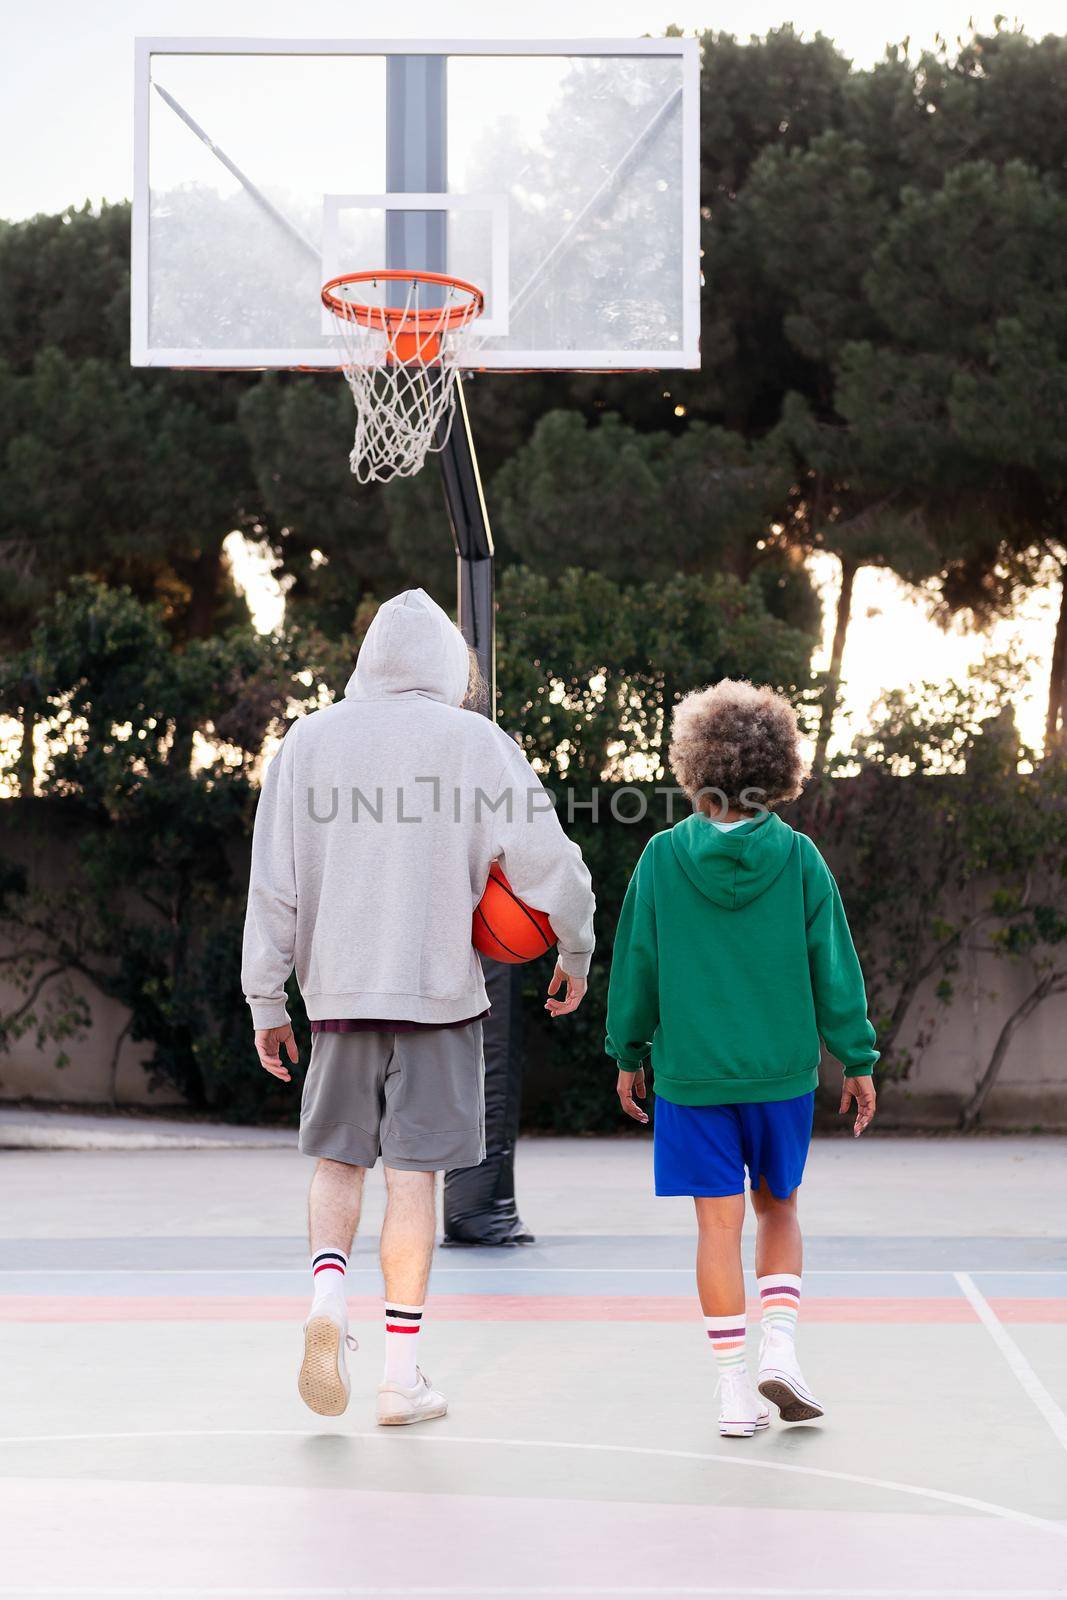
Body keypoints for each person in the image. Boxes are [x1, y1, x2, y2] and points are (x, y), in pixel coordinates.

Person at [242, 589, 594, 1425]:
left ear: (368, 657)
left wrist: (265, 995)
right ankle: (401, 1377)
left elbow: (273, 882)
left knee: (338, 1167)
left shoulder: (307, 742)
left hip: (337, 997)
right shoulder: (475, 741)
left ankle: (328, 1299)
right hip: (439, 997)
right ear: (445, 664)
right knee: (414, 1183)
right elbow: (551, 861)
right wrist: (574, 947)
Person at [605, 680, 877, 1438]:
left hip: (692, 1077)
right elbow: (834, 967)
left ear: (695, 766)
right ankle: (779, 1349)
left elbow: (637, 969)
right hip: (781, 1071)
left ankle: (732, 1392)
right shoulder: (797, 858)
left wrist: (627, 1053)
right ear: (778, 765)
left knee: (716, 1229)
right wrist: (855, 1058)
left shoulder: (661, 858)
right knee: (779, 1207)